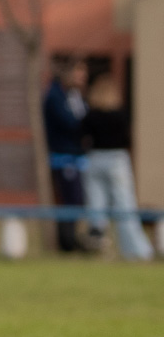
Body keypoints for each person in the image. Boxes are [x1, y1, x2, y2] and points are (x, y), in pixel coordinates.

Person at [81, 73, 151, 261]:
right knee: (125, 205)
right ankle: (136, 251)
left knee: (96, 206)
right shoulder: (121, 115)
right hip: (116, 160)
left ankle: (97, 247)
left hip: (95, 159)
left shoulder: (91, 115)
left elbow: (81, 136)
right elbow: (127, 140)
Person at [42, 58, 90, 253]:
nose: (82, 79)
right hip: (64, 156)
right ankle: (66, 242)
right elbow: (70, 123)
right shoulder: (55, 96)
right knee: (69, 199)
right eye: (79, 74)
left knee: (78, 199)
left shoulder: (75, 95)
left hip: (78, 156)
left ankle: (72, 239)